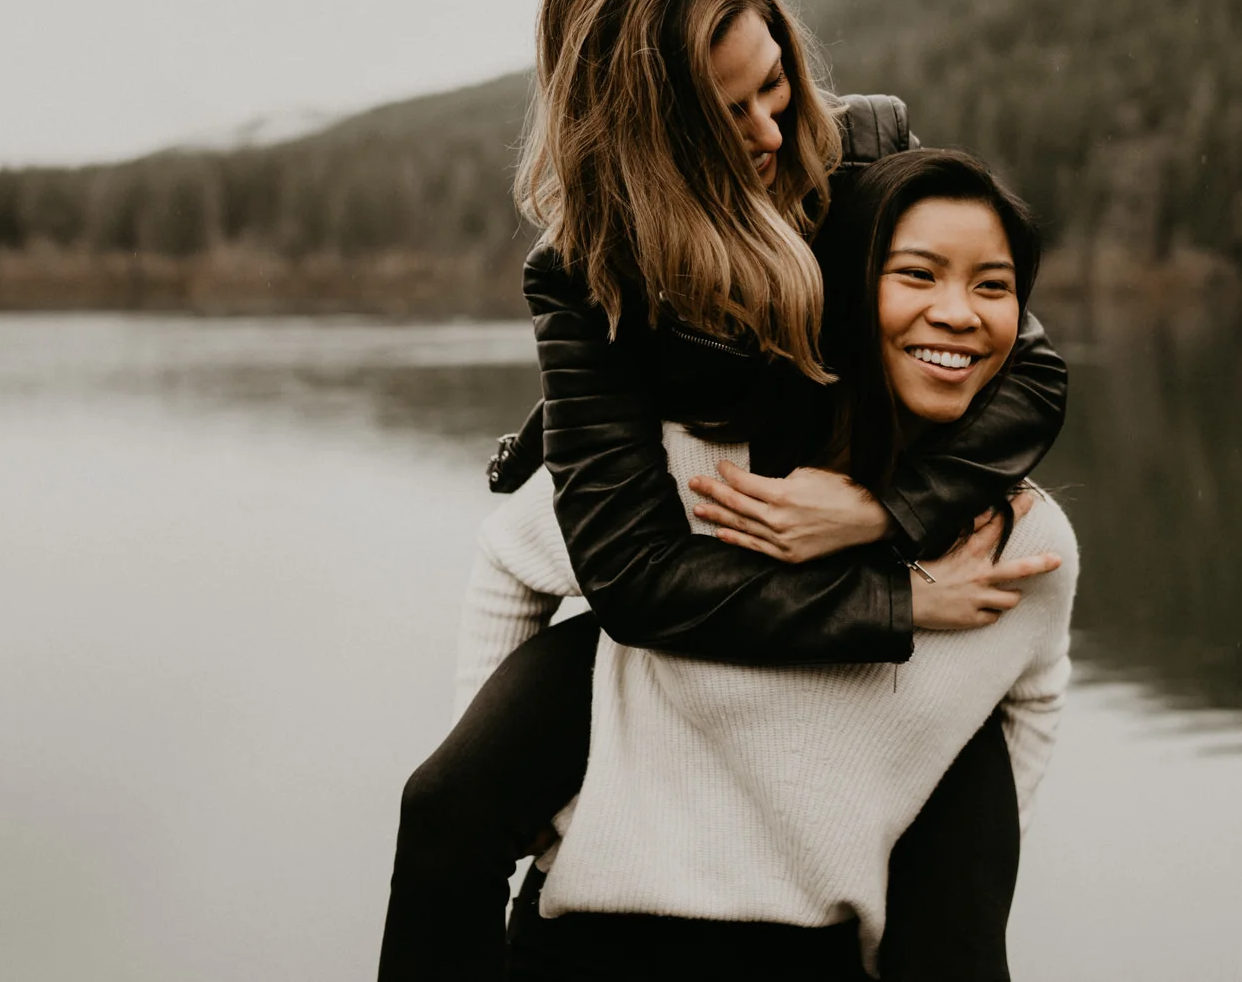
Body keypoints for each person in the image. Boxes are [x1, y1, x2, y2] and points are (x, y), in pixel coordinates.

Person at [378, 0, 1069, 980]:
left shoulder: (864, 159)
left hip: (856, 571)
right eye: (726, 112)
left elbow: (1030, 370)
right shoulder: (585, 270)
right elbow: (633, 578)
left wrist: (885, 514)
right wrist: (895, 603)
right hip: (707, 599)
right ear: (642, 132)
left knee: (951, 918)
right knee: (441, 815)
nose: (770, 129)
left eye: (774, 84)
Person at [461, 150, 1078, 980]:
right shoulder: (713, 470)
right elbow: (510, 557)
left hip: (820, 953)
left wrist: (955, 901)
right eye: (917, 274)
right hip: (596, 939)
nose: (958, 313)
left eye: (993, 286)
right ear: (849, 291)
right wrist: (518, 793)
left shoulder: (1023, 541)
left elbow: (1034, 696)